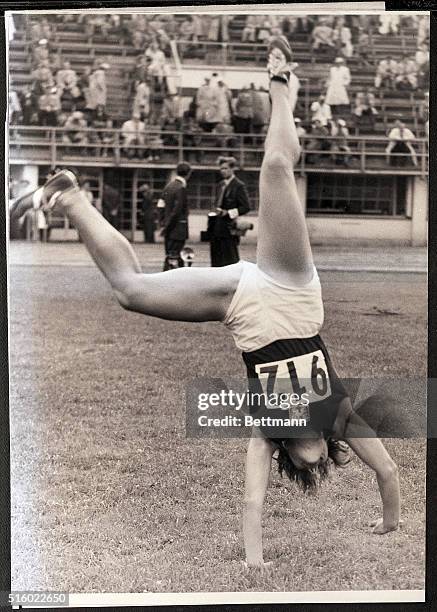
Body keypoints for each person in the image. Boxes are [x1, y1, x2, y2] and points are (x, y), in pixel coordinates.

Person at [10, 37, 400, 568]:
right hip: (291, 292)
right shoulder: (340, 415)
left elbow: (252, 499)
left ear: (285, 444)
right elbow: (388, 472)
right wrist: (390, 523)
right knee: (276, 171)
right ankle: (282, 86)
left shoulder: (266, 432)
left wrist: (255, 561)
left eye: (296, 432)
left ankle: (71, 197)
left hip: (241, 306)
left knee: (131, 291)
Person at [209, 156, 250, 267]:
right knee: (216, 259)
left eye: (226, 168)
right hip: (216, 226)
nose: (223, 171)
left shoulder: (239, 186)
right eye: (221, 168)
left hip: (229, 228)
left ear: (232, 169)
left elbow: (246, 207)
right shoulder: (220, 185)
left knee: (230, 259)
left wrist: (229, 213)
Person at [159, 162, 192, 270]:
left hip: (168, 228)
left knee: (169, 256)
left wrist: (163, 223)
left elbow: (160, 205)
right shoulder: (181, 188)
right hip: (177, 228)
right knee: (176, 257)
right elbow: (177, 211)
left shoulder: (168, 186)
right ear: (188, 174)